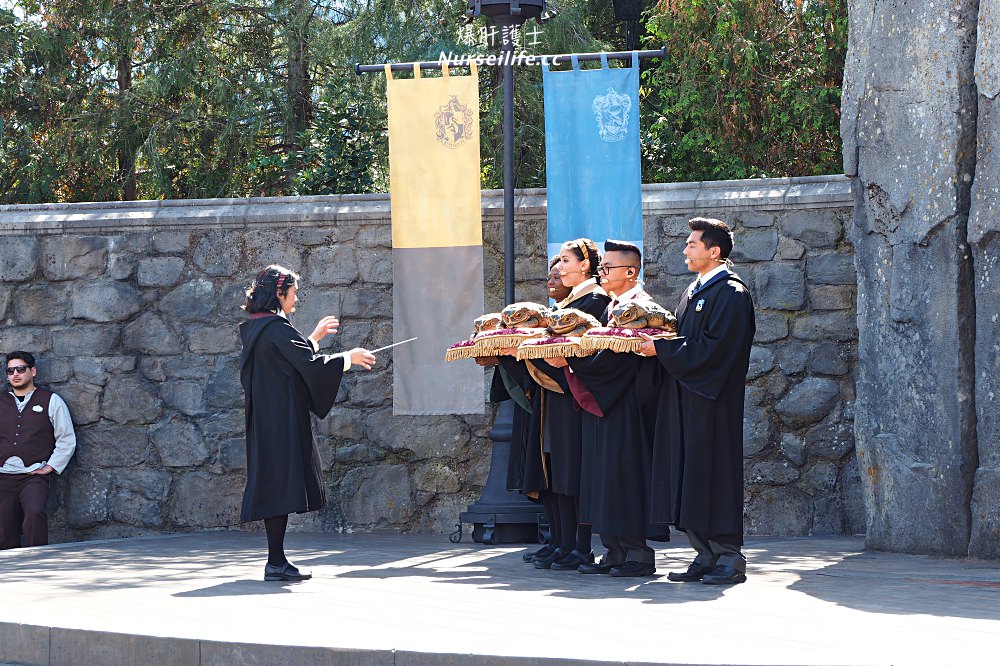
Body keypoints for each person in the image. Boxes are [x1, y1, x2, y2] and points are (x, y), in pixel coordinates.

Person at [240, 264, 376, 582]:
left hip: (267, 419)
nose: (296, 299)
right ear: (279, 293)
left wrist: (314, 337)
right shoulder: (275, 328)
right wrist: (348, 357)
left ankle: (277, 561)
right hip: (281, 420)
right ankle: (275, 563)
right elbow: (309, 367)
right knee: (279, 486)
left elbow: (293, 360)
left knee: (275, 485)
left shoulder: (259, 328)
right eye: (294, 292)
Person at [639, 217, 756, 585]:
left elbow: (716, 350)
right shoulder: (695, 290)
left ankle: (728, 557)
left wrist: (660, 348)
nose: (685, 250)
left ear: (714, 250)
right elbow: (683, 340)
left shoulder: (731, 293)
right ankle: (704, 553)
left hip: (712, 400)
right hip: (686, 398)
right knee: (689, 474)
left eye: (692, 244)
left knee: (713, 473)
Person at [555, 240, 665, 576]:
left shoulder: (642, 309)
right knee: (601, 478)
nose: (602, 273)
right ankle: (614, 550)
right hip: (605, 402)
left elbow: (617, 362)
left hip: (626, 404)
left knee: (623, 477)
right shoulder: (613, 308)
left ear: (631, 272)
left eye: (608, 268)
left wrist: (572, 361)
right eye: (601, 268)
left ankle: (637, 553)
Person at [525, 239, 611, 571]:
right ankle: (561, 542)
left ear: (585, 265)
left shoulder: (594, 302)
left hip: (574, 395)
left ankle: (579, 545)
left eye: (564, 260)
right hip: (555, 396)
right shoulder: (569, 305)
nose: (558, 268)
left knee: (573, 472)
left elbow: (585, 351)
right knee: (556, 473)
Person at [0, 351, 77, 549]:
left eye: (20, 369)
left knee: (35, 514)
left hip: (33, 475)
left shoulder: (51, 400)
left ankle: (40, 560)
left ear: (32, 371)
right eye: (10, 370)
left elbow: (66, 438)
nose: (15, 374)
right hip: (3, 477)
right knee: (5, 530)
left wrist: (50, 466)